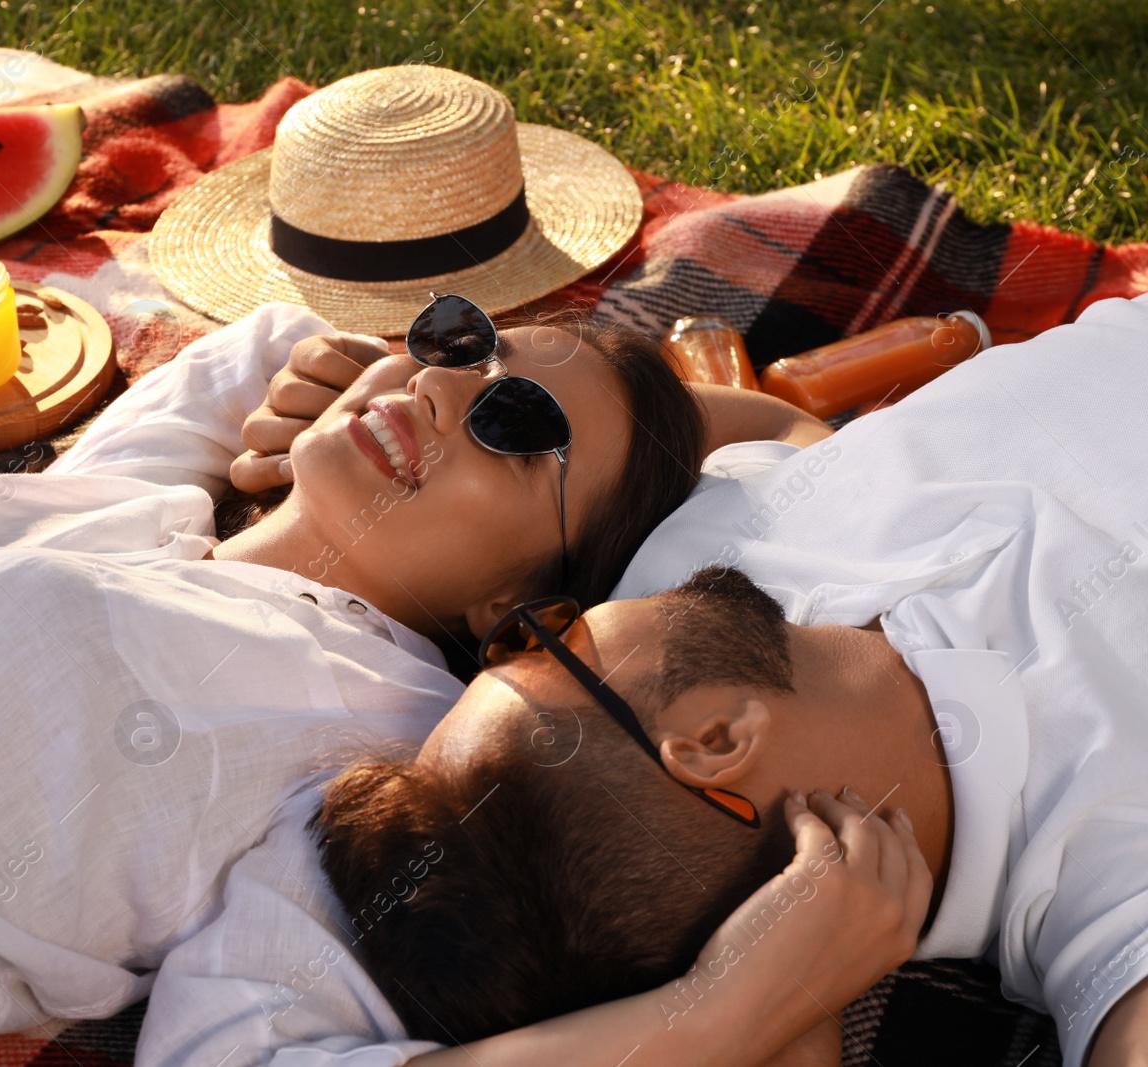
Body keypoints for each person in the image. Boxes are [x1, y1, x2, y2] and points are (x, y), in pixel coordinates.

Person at [0, 289, 800, 1066]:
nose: (443, 385)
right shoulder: (140, 505)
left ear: (516, 604)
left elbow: (247, 1042)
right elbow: (256, 341)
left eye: (519, 425)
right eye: (458, 339)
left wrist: (715, 1021)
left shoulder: (371, 740)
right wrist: (318, 389)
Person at [312, 290, 1148, 1066]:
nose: (569, 612)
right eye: (544, 647)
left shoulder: (689, 566)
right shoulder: (1100, 886)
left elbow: (641, 413)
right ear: (713, 739)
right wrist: (732, 1015)